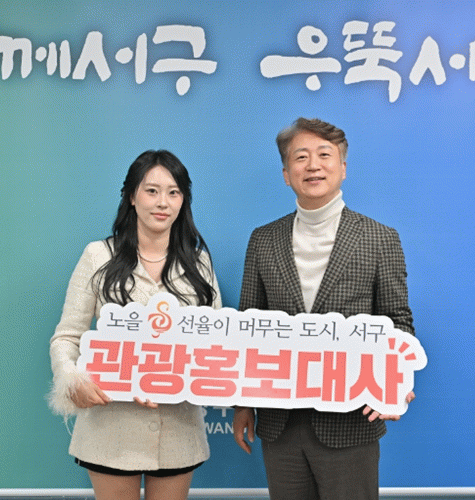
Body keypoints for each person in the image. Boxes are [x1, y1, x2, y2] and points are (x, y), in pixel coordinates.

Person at [233, 118, 416, 500]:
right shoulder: (263, 240)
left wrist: (396, 381)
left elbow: (398, 322)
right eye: (301, 157)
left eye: (324, 155)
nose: (313, 165)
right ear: (287, 174)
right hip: (280, 419)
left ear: (343, 167)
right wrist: (242, 404)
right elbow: (248, 327)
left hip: (350, 419)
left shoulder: (379, 238)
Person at [48, 150, 221, 500]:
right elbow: (67, 336)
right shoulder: (98, 256)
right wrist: (72, 379)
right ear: (131, 196)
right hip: (110, 426)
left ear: (183, 200)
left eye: (173, 192)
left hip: (177, 428)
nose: (163, 202)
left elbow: (215, 340)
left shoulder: (198, 262)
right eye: (151, 190)